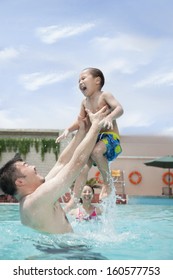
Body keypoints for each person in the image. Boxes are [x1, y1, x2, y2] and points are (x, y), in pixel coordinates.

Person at [0, 107, 108, 234]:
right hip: (65, 252)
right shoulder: (35, 201)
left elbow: (61, 163)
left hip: (59, 249)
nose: (33, 166)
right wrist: (95, 126)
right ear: (20, 182)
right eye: (26, 165)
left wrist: (82, 131)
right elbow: (76, 164)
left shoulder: (34, 197)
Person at [56, 67, 124, 199]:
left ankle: (108, 183)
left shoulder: (105, 95)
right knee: (82, 167)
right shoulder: (84, 103)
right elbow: (81, 122)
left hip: (110, 138)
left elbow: (119, 109)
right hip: (94, 139)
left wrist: (110, 117)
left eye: (83, 78)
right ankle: (74, 200)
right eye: (78, 81)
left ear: (97, 80)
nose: (80, 82)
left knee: (96, 152)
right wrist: (68, 129)